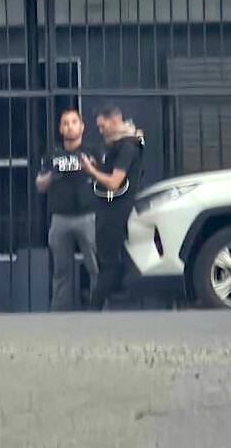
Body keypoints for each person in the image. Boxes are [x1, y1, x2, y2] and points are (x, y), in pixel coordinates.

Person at [80, 104, 144, 310]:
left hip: (117, 209)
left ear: (115, 119)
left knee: (110, 260)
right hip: (107, 207)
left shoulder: (128, 146)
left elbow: (114, 182)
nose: (100, 130)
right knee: (107, 258)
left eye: (102, 125)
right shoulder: (114, 145)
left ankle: (97, 303)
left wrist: (91, 170)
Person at [35, 108, 99, 312]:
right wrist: (51, 175)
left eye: (73, 122)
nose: (70, 126)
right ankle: (60, 313)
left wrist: (92, 169)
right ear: (60, 129)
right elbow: (40, 185)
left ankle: (99, 307)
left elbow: (107, 180)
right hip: (60, 218)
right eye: (65, 123)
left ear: (82, 126)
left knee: (95, 266)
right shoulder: (52, 155)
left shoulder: (93, 152)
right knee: (61, 270)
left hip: (87, 216)